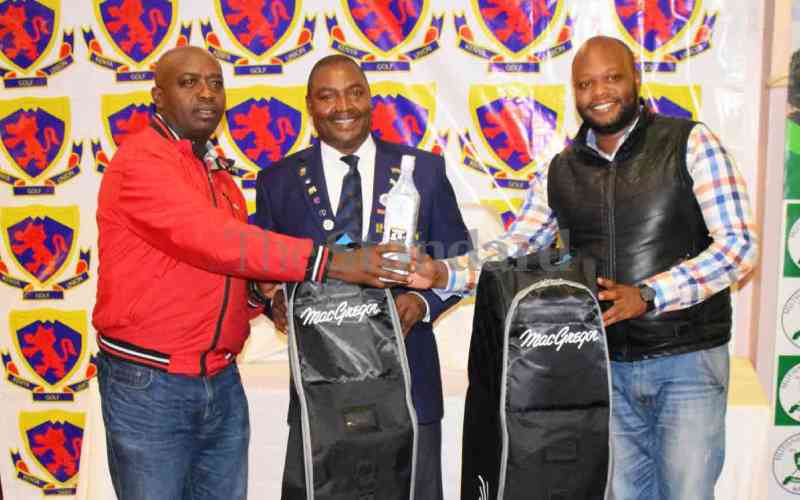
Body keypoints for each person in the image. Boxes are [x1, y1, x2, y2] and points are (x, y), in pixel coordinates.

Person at [409, 36, 758, 500]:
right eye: (586, 84)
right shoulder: (561, 169)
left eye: (612, 78)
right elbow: (515, 249)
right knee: (621, 494)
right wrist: (444, 273)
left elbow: (738, 246)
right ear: (574, 91)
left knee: (687, 492)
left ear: (636, 79)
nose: (599, 92)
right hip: (601, 368)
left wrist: (650, 294)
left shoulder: (689, 143)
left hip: (686, 361)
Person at [92, 46, 410, 500]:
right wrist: (337, 261)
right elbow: (215, 241)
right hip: (152, 383)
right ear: (158, 97)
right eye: (189, 83)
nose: (207, 93)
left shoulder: (216, 174)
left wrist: (262, 297)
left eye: (215, 83)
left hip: (220, 379)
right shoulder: (142, 161)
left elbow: (224, 275)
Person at [254, 54, 471, 499]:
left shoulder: (425, 171)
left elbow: (461, 262)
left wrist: (424, 302)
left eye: (354, 92)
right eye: (327, 96)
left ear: (370, 99)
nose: (343, 106)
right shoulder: (278, 182)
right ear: (310, 105)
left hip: (410, 379)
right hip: (321, 389)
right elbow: (260, 269)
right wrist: (272, 301)